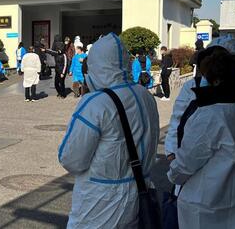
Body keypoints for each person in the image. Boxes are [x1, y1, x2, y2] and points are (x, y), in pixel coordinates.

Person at [167, 50, 235, 229]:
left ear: (216, 80)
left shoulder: (209, 114)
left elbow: (186, 162)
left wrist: (173, 169)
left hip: (204, 203)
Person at [58, 33, 160, 228]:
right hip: (138, 196)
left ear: (97, 65)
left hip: (99, 206)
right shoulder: (146, 96)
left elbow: (71, 159)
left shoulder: (96, 103)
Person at [165, 36, 235, 171]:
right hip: (191, 168)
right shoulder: (191, 87)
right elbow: (177, 121)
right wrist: (172, 154)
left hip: (231, 172)